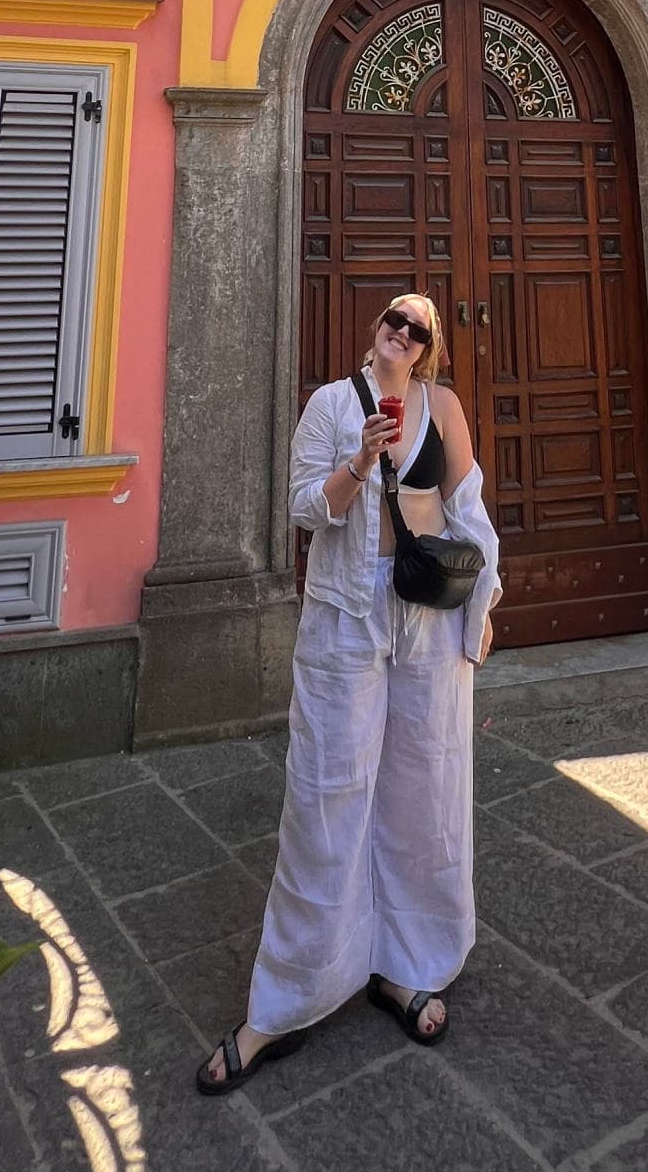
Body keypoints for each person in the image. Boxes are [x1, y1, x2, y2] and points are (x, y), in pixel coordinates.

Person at [196, 292, 501, 1092]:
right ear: (375, 329)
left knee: (422, 788)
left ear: (431, 346)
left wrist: (482, 604)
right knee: (327, 794)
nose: (400, 331)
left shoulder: (445, 406)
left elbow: (467, 511)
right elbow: (303, 509)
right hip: (345, 616)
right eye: (392, 319)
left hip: (426, 619)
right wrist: (359, 462)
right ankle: (285, 999)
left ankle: (405, 963)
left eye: (417, 327)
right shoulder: (330, 405)